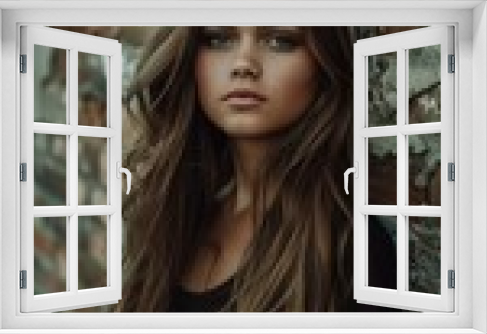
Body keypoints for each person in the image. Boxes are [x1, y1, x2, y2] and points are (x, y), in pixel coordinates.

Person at [116, 26, 400, 312]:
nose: (243, 65)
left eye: (280, 41)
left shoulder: (350, 249)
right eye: (219, 39)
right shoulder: (169, 215)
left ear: (325, 63)